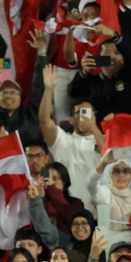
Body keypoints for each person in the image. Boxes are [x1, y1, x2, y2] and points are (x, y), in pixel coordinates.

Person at [39, 66, 103, 205]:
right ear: (71, 120)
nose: (84, 117)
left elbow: (109, 153)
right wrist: (49, 90)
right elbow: (44, 121)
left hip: (99, 208)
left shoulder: (102, 139)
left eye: (88, 113)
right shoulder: (63, 140)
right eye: (80, 113)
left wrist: (94, 128)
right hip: (69, 209)